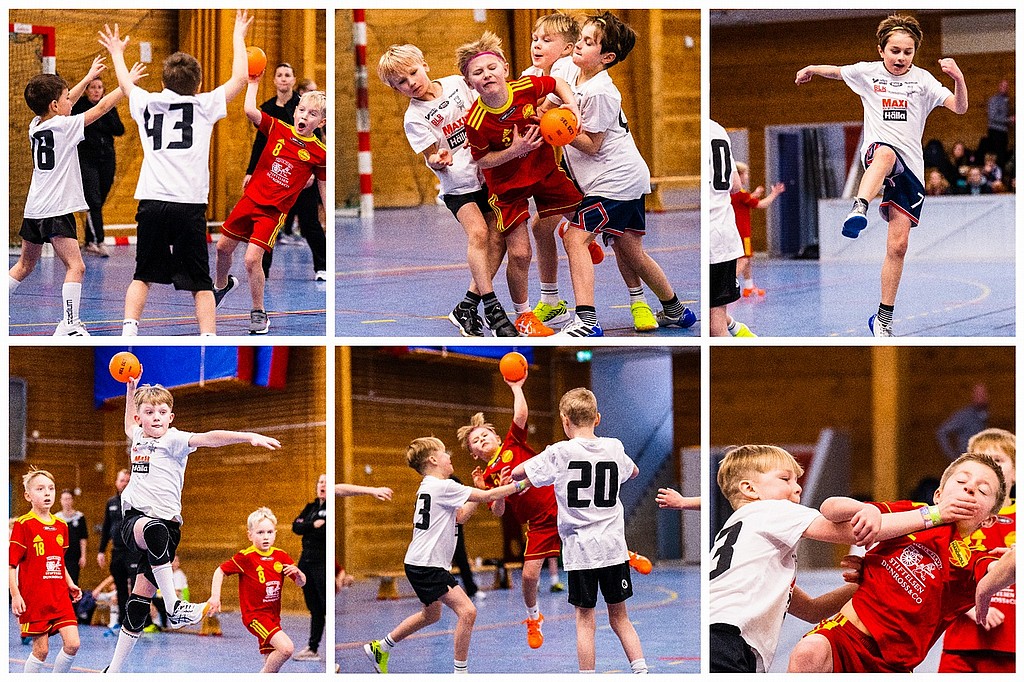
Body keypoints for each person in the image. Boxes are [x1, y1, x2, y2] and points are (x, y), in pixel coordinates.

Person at [709, 444, 972, 673]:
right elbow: (856, 532)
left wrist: (872, 580)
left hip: (722, 634)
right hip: (729, 638)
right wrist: (935, 514)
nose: (797, 488)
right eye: (785, 479)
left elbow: (812, 610)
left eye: (797, 481)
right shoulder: (770, 510)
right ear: (749, 488)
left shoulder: (749, 540)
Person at [796, 14, 969, 337]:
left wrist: (958, 78)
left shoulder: (923, 81)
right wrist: (812, 69)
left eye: (907, 52)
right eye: (895, 51)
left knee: (898, 246)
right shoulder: (868, 73)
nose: (901, 57)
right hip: (878, 153)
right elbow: (838, 71)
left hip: (911, 167)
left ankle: (883, 319)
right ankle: (859, 206)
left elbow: (959, 108)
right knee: (886, 154)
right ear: (881, 50)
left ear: (914, 53)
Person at [104, 372, 282, 672]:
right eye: (149, 412)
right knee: (152, 529)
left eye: (162, 412)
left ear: (171, 417)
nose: (156, 417)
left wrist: (247, 436)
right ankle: (173, 606)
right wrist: (131, 389)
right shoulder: (138, 436)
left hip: (169, 528)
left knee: (139, 602)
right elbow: (127, 424)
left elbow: (211, 437)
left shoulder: (175, 440)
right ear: (139, 417)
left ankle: (114, 670)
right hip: (136, 521)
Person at [98, 12, 253, 336]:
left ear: (163, 82)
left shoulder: (147, 102)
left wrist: (116, 52)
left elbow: (126, 85)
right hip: (188, 205)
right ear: (198, 84)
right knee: (201, 283)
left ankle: (129, 331)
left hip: (152, 202)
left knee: (142, 276)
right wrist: (238, 35)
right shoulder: (204, 104)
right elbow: (240, 78)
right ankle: (208, 337)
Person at [787, 453, 1015, 673]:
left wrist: (1013, 557)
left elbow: (1002, 570)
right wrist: (865, 509)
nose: (970, 487)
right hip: (844, 636)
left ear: (989, 520)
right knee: (809, 652)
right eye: (962, 481)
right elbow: (830, 508)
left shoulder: (975, 556)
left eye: (983, 490)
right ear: (938, 495)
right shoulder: (912, 512)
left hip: (892, 666)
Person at [552, 12, 696, 337]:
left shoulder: (601, 92)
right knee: (631, 251)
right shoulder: (572, 72)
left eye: (589, 42)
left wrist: (560, 131)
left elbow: (592, 145)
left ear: (607, 57)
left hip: (615, 180)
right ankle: (675, 310)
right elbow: (552, 96)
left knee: (575, 238)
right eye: (581, 38)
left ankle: (586, 321)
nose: (578, 45)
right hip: (625, 178)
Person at [376, 44, 516, 337]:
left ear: (424, 65)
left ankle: (467, 305)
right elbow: (430, 157)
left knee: (499, 239)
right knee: (478, 233)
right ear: (395, 89)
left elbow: (485, 112)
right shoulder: (414, 119)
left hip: (487, 174)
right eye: (402, 82)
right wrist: (438, 159)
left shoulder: (456, 84)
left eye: (413, 73)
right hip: (458, 185)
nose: (411, 82)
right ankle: (492, 307)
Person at [508, 387, 646, 673]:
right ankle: (641, 670)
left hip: (581, 551)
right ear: (597, 418)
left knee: (585, 621)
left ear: (565, 420)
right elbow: (633, 472)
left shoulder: (560, 452)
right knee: (620, 618)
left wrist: (517, 474)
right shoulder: (614, 446)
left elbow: (519, 472)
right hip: (613, 548)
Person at [363, 437, 527, 674]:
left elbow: (460, 517)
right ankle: (460, 673)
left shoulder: (429, 486)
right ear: (433, 459)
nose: (449, 456)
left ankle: (381, 647)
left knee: (430, 615)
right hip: (427, 565)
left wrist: (483, 489)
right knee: (468, 612)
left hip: (421, 563)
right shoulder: (443, 486)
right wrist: (524, 483)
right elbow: (489, 497)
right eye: (445, 453)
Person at [459, 31, 584, 337]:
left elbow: (557, 83)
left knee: (583, 216)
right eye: (478, 72)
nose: (486, 75)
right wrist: (514, 151)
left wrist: (572, 106)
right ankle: (524, 316)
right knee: (520, 254)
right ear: (469, 83)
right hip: (508, 188)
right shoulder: (476, 122)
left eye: (492, 68)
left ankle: (579, 241)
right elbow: (482, 160)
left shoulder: (525, 87)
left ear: (504, 69)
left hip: (543, 170)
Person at [9, 57, 140, 336]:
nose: (72, 100)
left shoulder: (36, 125)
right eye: (66, 98)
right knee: (76, 267)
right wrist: (126, 85)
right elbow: (102, 107)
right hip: (56, 210)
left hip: (34, 209)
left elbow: (65, 102)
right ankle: (69, 325)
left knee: (24, 265)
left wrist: (88, 77)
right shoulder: (65, 127)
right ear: (55, 106)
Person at [212, 74, 327, 335]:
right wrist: (253, 82)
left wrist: (327, 217)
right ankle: (221, 286)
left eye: (312, 114)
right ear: (295, 112)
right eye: (302, 110)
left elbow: (323, 186)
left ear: (321, 122)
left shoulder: (320, 153)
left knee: (252, 259)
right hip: (250, 200)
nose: (304, 116)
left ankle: (258, 313)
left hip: (272, 212)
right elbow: (249, 110)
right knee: (222, 248)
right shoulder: (278, 128)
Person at [460, 370, 562, 648]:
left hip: (559, 501)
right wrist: (498, 491)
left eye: (484, 435)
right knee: (529, 576)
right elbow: (498, 511)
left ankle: (624, 554)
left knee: (594, 532)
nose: (481, 440)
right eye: (475, 442)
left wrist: (516, 387)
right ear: (474, 453)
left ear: (495, 436)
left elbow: (520, 415)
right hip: (538, 521)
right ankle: (533, 618)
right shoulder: (487, 477)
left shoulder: (512, 443)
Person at [519, 12, 604, 328]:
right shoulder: (530, 74)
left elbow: (546, 110)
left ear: (568, 48)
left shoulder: (568, 70)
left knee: (624, 241)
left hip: (597, 169)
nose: (537, 45)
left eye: (546, 40)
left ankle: (642, 300)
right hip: (566, 164)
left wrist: (543, 109)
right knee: (541, 226)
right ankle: (551, 300)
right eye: (534, 39)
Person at [242, 63, 328, 283]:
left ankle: (322, 266)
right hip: (276, 177)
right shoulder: (268, 108)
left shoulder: (302, 107)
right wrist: (251, 171)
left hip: (303, 176)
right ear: (274, 80)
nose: (283, 78)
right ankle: (263, 269)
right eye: (279, 75)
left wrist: (312, 172)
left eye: (287, 75)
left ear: (293, 80)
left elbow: (316, 141)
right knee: (267, 223)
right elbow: (260, 143)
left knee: (309, 222)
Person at [939, 429, 1016, 673]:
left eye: (998, 460)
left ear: (1016, 472)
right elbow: (938, 570)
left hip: (1013, 650)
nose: (991, 467)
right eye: (982, 460)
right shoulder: (957, 518)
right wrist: (970, 606)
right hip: (961, 646)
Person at [208, 507, 306, 673]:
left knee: (271, 665)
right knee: (286, 648)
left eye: (269, 532)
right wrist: (215, 597)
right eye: (260, 532)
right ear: (250, 535)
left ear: (275, 533)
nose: (265, 537)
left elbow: (300, 583)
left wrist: (299, 574)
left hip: (274, 616)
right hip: (255, 616)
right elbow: (220, 571)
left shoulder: (281, 556)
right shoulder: (246, 557)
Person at [9, 469, 83, 673]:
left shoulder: (61, 525)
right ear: (28, 496)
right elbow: (10, 565)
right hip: (35, 598)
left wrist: (70, 584)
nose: (47, 493)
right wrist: (15, 595)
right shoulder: (23, 525)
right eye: (40, 489)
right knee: (41, 650)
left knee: (73, 644)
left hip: (59, 596)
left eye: (51, 488)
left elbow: (58, 561)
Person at [707, 119, 755, 337]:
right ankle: (736, 328)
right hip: (725, 234)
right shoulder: (717, 130)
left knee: (713, 317)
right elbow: (736, 186)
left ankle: (735, 328)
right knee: (715, 313)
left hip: (717, 234)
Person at [72, 76, 125, 257]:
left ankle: (89, 240)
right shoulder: (80, 107)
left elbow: (119, 129)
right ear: (86, 91)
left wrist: (104, 111)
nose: (96, 91)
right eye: (92, 87)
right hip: (87, 160)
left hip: (107, 159)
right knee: (93, 200)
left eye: (99, 87)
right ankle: (99, 240)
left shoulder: (108, 107)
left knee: (99, 200)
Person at [731, 161, 785, 297]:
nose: (747, 176)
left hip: (736, 231)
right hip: (743, 233)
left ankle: (749, 287)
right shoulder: (742, 194)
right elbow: (761, 204)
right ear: (739, 175)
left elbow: (744, 201)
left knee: (747, 260)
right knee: (743, 260)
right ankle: (728, 285)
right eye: (746, 174)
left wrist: (754, 194)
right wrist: (774, 193)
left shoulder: (733, 193)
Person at [291, 474, 328, 661]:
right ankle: (312, 649)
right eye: (320, 482)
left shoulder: (330, 509)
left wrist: (309, 528)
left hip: (322, 563)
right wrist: (312, 524)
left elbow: (324, 533)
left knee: (326, 604)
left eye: (326, 482)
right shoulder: (310, 507)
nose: (322, 485)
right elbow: (296, 526)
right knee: (314, 607)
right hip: (305, 562)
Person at [98, 468, 133, 628]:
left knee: (136, 586)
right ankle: (123, 621)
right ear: (116, 483)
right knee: (120, 586)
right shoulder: (111, 502)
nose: (124, 483)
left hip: (133, 551)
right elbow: (106, 527)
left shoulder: (137, 501)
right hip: (117, 551)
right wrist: (101, 551)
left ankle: (140, 621)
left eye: (127, 481)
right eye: (122, 480)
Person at [936, 383, 989, 461]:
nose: (981, 397)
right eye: (978, 394)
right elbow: (942, 432)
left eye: (983, 394)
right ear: (973, 396)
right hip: (968, 460)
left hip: (981, 459)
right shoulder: (964, 415)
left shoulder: (985, 414)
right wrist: (953, 456)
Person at [55, 490, 88, 585]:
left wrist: (83, 556)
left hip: (74, 556)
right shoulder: (56, 518)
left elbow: (83, 538)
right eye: (65, 499)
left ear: (73, 500)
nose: (67, 502)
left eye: (69, 499)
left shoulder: (79, 517)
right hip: (62, 555)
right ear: (61, 501)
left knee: (73, 580)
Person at [986, 78, 1012, 165]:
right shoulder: (994, 100)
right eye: (1003, 86)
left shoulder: (1006, 100)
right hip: (995, 131)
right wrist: (1009, 119)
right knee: (997, 155)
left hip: (1003, 132)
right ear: (999, 86)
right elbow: (992, 117)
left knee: (1003, 154)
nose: (1005, 88)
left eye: (1006, 86)